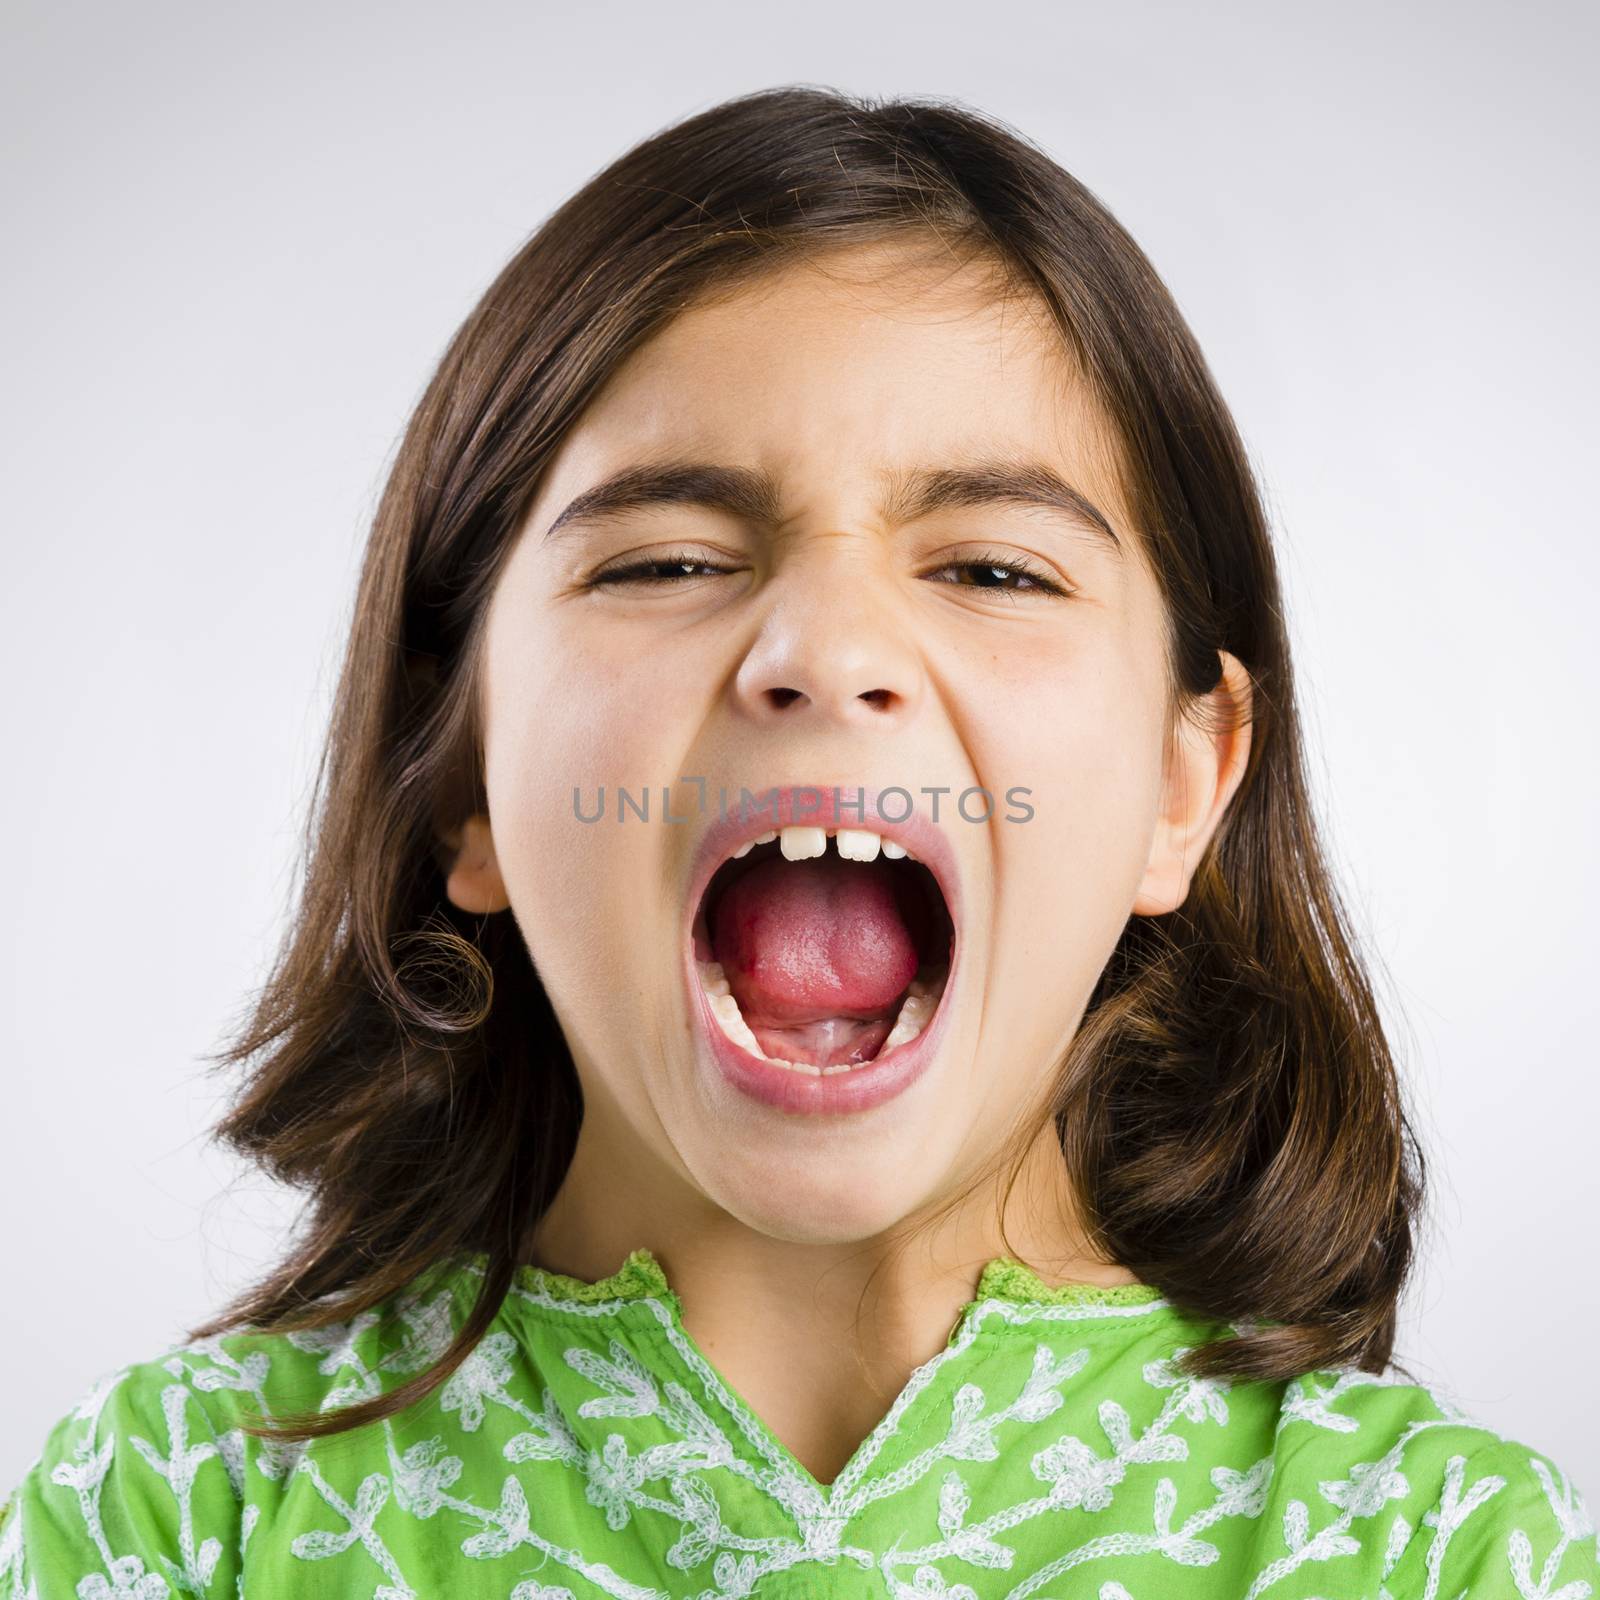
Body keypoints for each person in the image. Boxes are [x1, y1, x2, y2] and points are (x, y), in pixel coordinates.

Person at [2, 85, 1592, 1600]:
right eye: (670, 559)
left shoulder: (1445, 1557)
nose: (826, 651)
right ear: (457, 782)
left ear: (1186, 787)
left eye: (993, 571)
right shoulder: (173, 1526)